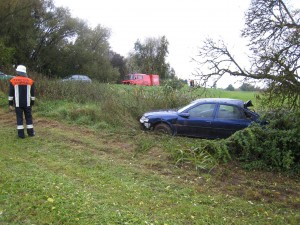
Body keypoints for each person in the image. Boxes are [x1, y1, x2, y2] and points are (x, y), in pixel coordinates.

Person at [8, 65, 35, 138]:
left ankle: (21, 135)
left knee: (19, 118)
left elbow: (11, 93)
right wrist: (32, 102)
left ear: (17, 72)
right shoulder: (30, 81)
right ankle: (31, 133)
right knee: (28, 117)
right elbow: (32, 94)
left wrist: (10, 103)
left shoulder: (13, 81)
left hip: (17, 104)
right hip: (27, 103)